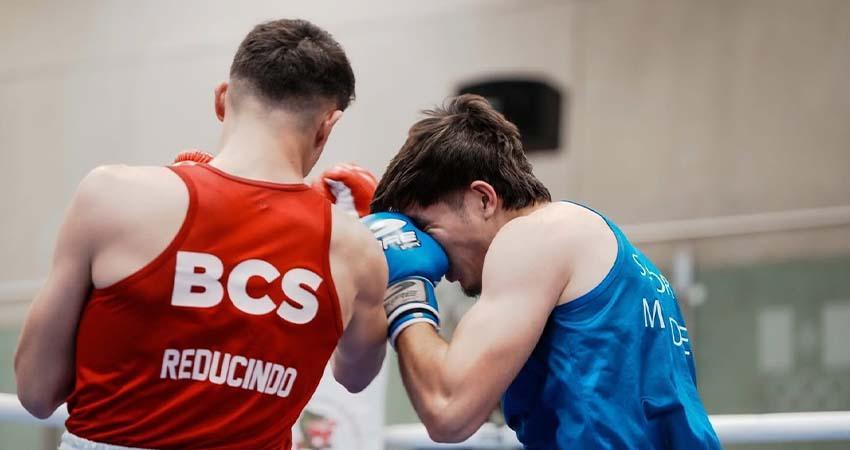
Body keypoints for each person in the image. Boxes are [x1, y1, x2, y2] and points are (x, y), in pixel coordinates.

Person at [14, 19, 388, 450]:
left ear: (222, 98)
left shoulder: (112, 196)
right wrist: (380, 251)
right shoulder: (356, 251)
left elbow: (37, 392)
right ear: (328, 125)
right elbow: (356, 376)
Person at [366, 94, 722, 448]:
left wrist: (405, 285)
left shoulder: (531, 238)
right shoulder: (599, 249)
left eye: (425, 230)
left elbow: (447, 410)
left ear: (484, 199)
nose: (434, 261)